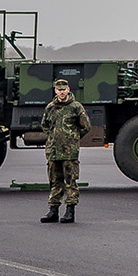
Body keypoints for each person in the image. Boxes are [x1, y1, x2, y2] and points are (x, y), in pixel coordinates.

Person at [39, 78, 91, 224]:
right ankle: (53, 210)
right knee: (54, 181)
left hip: (69, 152)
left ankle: (70, 211)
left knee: (70, 181)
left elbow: (86, 126)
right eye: (59, 90)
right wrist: (53, 138)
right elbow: (45, 125)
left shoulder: (76, 107)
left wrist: (73, 138)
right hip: (54, 151)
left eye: (64, 90)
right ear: (55, 91)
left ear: (68, 90)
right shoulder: (50, 107)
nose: (61, 92)